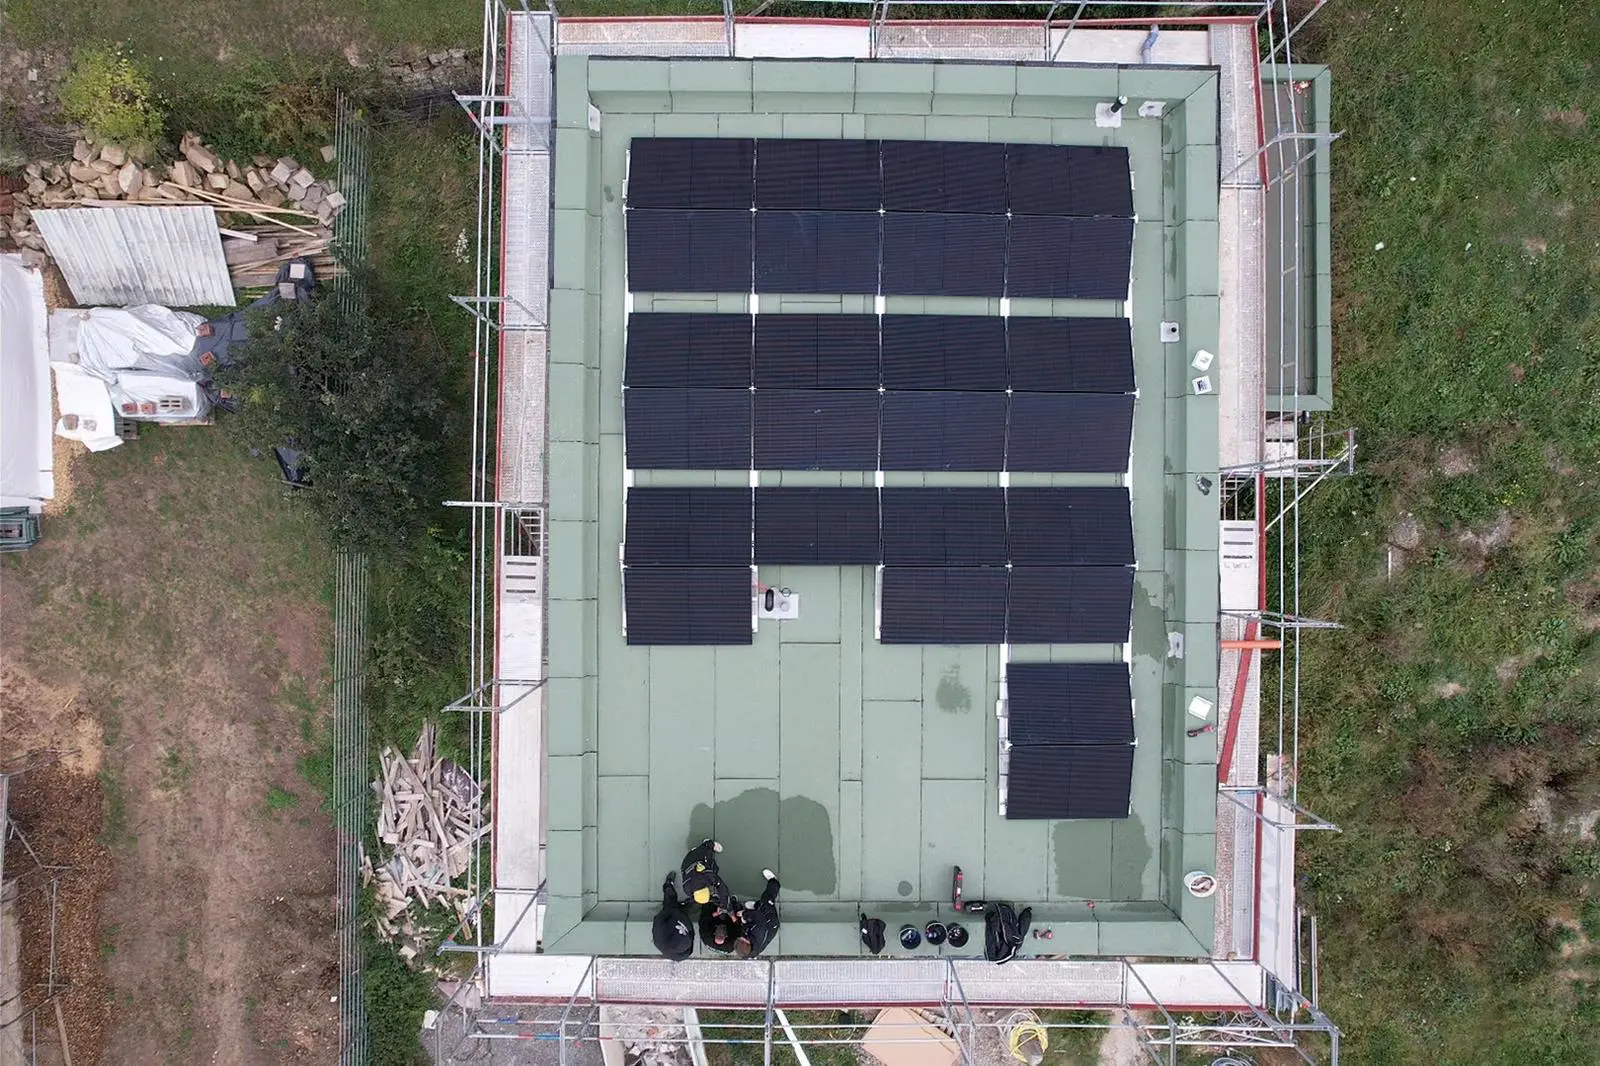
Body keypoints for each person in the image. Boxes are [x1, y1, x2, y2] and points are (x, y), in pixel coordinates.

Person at [734, 869, 780, 958]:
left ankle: (757, 906)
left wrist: (744, 922)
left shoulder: (746, 951)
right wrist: (744, 914)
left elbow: (746, 930)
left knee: (753, 911)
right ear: (748, 943)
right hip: (769, 922)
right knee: (766, 900)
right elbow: (759, 917)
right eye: (743, 938)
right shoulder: (759, 932)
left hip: (760, 923)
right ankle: (774, 882)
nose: (742, 936)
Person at [651, 871, 695, 961]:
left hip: (668, 917)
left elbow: (659, 919)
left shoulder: (660, 940)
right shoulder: (686, 947)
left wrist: (671, 910)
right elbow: (691, 935)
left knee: (670, 900)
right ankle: (685, 905)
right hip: (682, 919)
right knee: (689, 906)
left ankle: (668, 885)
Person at [680, 838, 732, 910]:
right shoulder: (687, 890)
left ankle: (707, 844)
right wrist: (716, 901)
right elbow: (694, 898)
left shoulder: (706, 876)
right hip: (686, 863)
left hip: (695, 858)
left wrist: (725, 904)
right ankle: (695, 851)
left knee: (712, 867)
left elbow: (721, 886)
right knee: (709, 869)